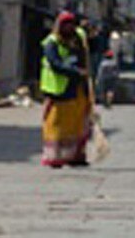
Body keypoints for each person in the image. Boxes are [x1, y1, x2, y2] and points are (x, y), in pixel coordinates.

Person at [39, 10, 94, 168]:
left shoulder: (77, 41)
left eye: (72, 24)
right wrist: (76, 72)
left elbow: (86, 55)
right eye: (66, 25)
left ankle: (75, 156)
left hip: (78, 90)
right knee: (58, 125)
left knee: (78, 123)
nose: (69, 28)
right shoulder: (52, 42)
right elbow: (55, 64)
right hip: (59, 91)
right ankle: (55, 156)